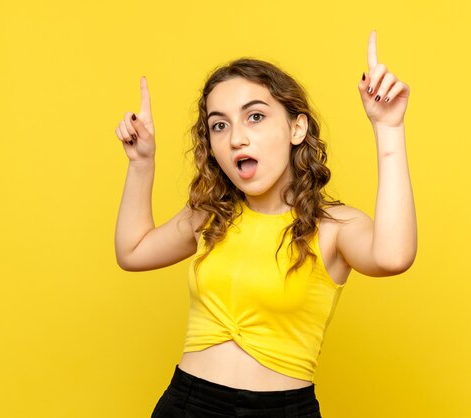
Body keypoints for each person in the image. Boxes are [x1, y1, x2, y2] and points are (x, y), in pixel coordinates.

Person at [114, 30, 416, 418]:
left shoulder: (333, 227)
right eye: (219, 125)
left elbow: (393, 256)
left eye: (255, 117)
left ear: (297, 128)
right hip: (188, 405)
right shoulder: (213, 214)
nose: (237, 138)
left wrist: (389, 130)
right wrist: (141, 164)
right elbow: (132, 252)